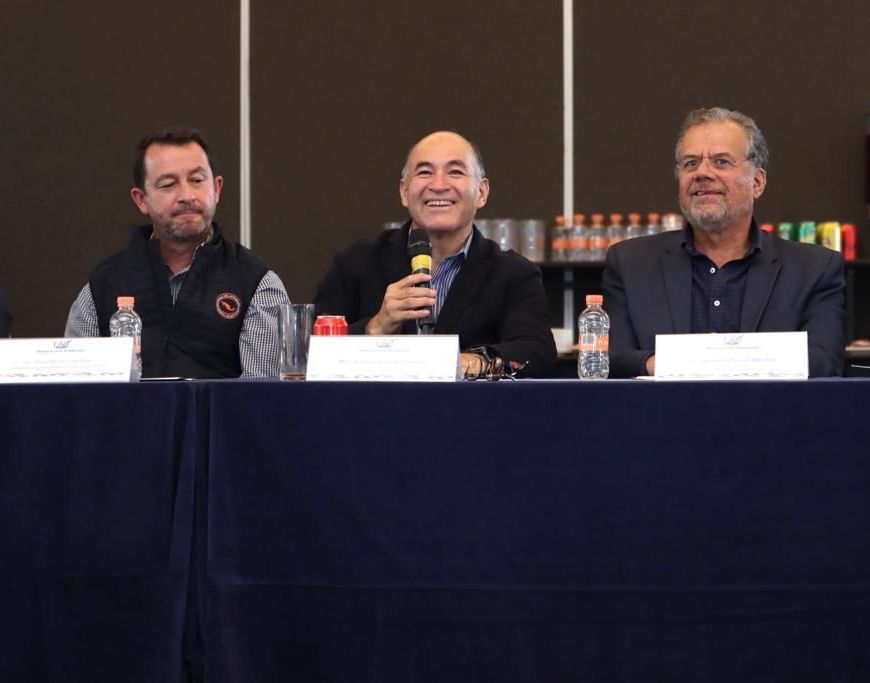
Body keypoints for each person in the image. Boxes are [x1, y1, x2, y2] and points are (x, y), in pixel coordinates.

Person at [602, 107, 845, 378]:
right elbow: (608, 360)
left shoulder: (814, 269)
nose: (702, 173)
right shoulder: (630, 263)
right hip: (663, 407)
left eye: (721, 162)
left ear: (757, 182)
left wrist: (686, 364)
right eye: (690, 163)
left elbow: (824, 362)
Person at [314, 130, 556, 378]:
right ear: (404, 192)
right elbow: (312, 351)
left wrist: (471, 362)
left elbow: (537, 352)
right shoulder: (355, 262)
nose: (439, 185)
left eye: (455, 172)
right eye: (424, 172)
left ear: (482, 193)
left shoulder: (514, 273)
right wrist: (375, 328)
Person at [65, 127, 289, 378]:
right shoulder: (101, 287)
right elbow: (76, 391)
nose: (186, 195)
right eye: (168, 184)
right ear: (141, 199)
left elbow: (262, 395)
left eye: (197, 180)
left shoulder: (256, 283)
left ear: (217, 189)